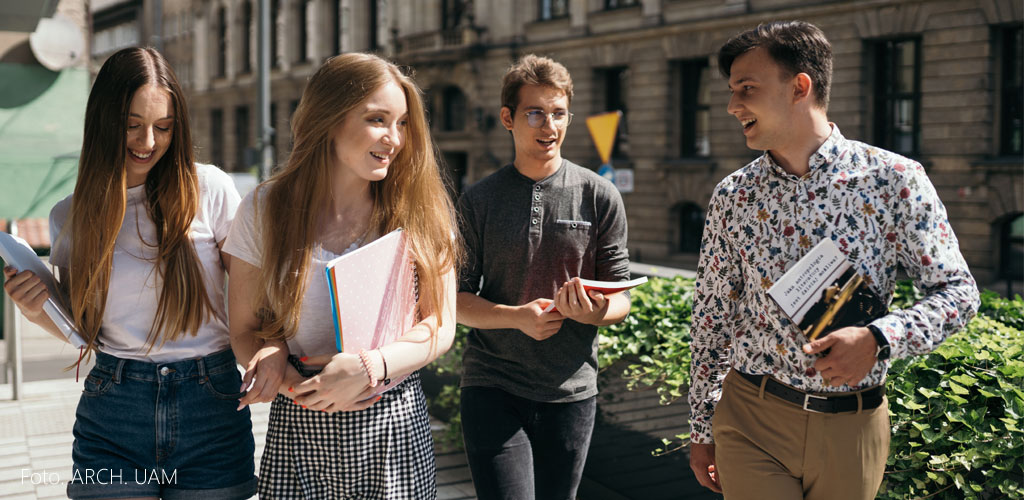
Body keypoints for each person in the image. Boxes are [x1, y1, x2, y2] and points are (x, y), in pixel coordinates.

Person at [687, 21, 980, 499]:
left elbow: (960, 294)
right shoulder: (733, 196)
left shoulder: (894, 180)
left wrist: (878, 338)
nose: (732, 105)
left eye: (747, 88)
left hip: (853, 426)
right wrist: (701, 427)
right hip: (750, 420)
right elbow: (712, 317)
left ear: (800, 86)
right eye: (731, 90)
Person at [2, 47, 256, 499]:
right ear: (104, 121)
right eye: (132, 124)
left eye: (163, 127)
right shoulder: (73, 215)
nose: (147, 142)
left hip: (211, 406)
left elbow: (254, 297)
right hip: (114, 409)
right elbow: (81, 329)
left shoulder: (211, 189)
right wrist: (34, 307)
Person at [223, 52, 459, 499]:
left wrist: (371, 367)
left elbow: (441, 326)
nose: (394, 138)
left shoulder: (419, 209)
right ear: (329, 120)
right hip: (299, 423)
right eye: (377, 119)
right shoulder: (263, 208)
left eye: (403, 123)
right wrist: (290, 375)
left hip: (393, 424)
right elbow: (244, 330)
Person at [456, 54, 632, 499]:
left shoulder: (599, 195)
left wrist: (594, 313)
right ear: (508, 118)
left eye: (558, 114)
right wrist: (516, 317)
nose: (548, 126)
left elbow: (622, 298)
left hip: (571, 390)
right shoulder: (479, 201)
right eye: (535, 113)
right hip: (491, 383)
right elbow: (454, 299)